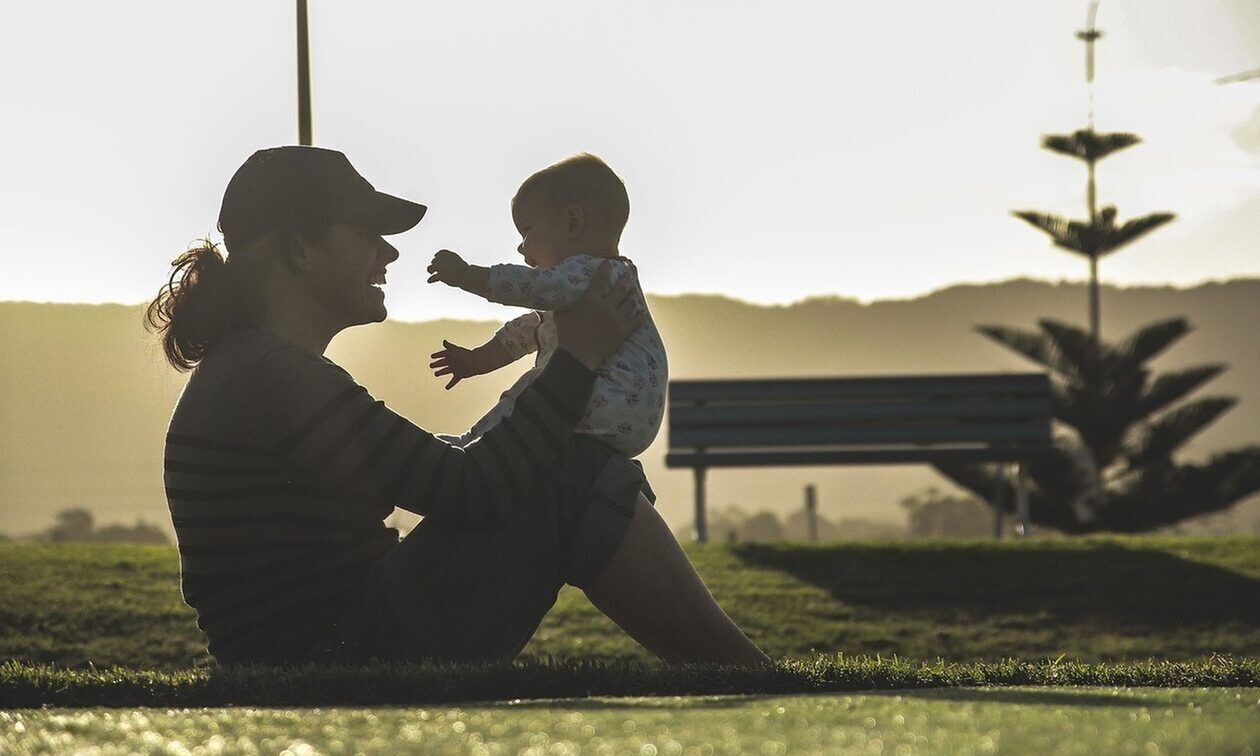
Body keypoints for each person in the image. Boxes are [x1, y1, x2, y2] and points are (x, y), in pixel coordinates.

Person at [146, 145, 769, 666]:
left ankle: (740, 677)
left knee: (573, 465)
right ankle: (752, 679)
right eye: (367, 236)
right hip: (341, 654)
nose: (388, 254)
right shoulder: (270, 377)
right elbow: (472, 489)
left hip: (329, 643)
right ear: (300, 249)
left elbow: (437, 473)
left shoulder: (254, 371)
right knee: (575, 468)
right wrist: (578, 357)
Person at [425, 153, 666, 461]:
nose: (521, 247)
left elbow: (530, 286)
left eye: (526, 231)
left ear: (572, 222)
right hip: (627, 418)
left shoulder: (592, 272)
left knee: (533, 391)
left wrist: (467, 275)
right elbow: (529, 331)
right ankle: (475, 444)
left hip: (608, 401)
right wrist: (475, 362)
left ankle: (475, 447)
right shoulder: (602, 285)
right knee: (541, 389)